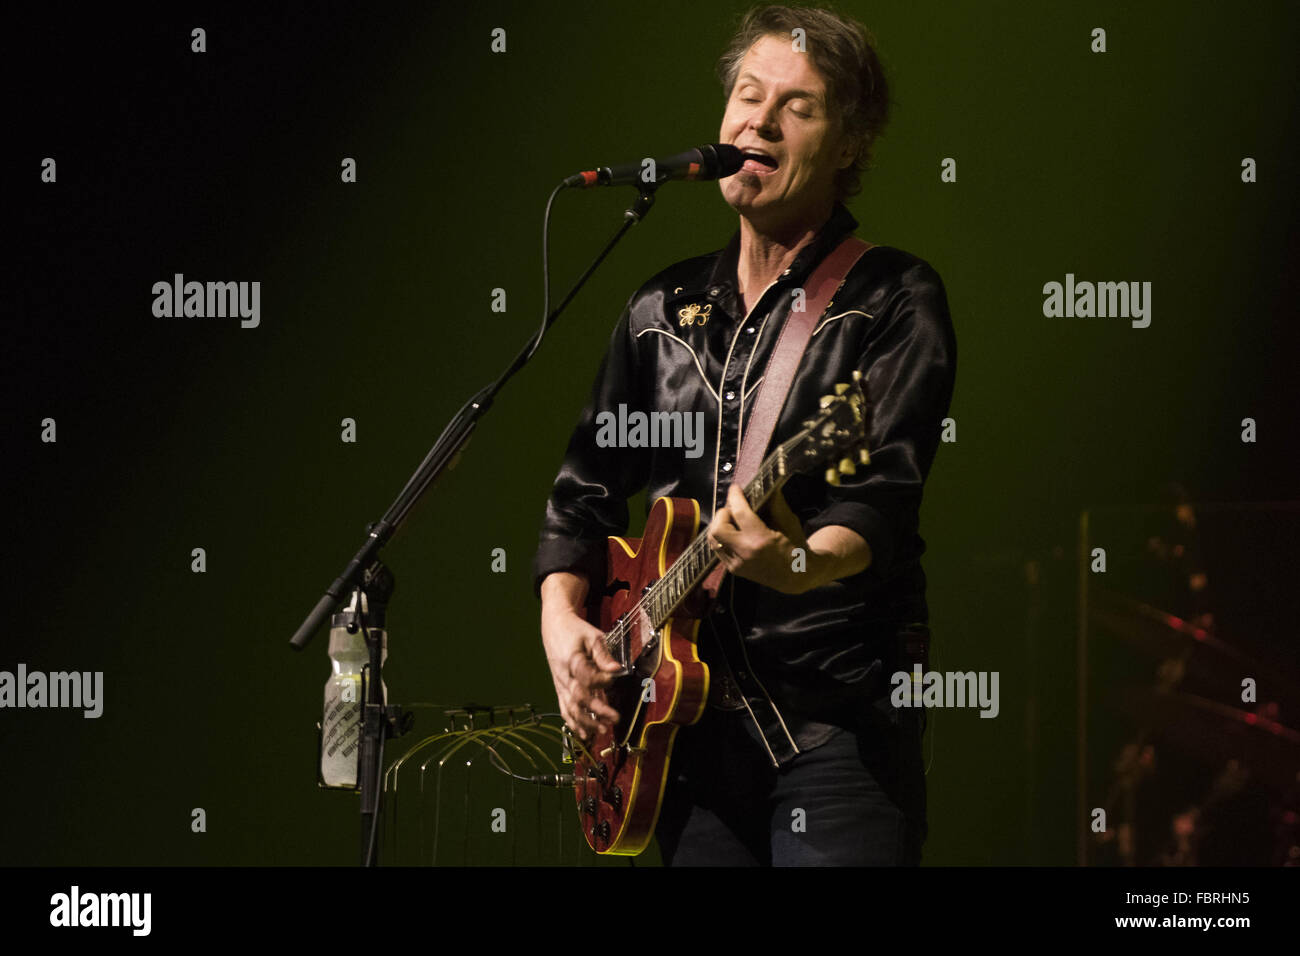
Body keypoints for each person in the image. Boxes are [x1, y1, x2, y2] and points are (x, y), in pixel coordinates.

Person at [532, 4, 956, 865]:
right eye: (747, 95)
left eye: (796, 105)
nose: (757, 118)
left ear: (850, 143)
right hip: (681, 744)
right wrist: (562, 627)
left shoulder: (891, 299)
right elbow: (582, 496)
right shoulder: (660, 311)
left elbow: (880, 498)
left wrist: (795, 563)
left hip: (832, 730)